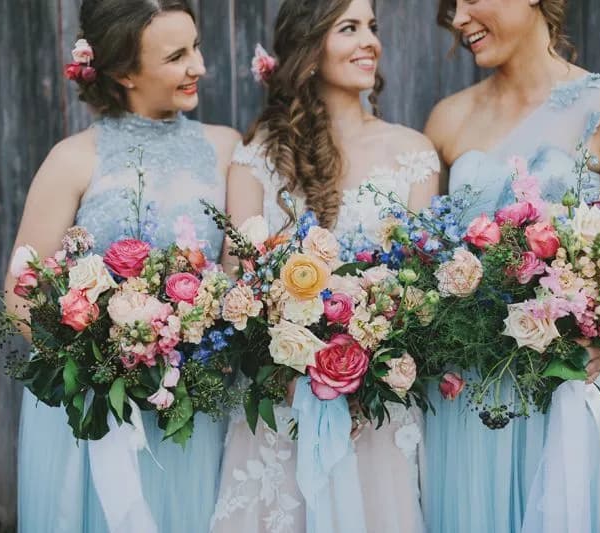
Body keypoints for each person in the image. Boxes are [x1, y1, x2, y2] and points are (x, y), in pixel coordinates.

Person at [422, 1, 600, 531]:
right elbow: (430, 261)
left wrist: (598, 325)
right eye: (451, 5)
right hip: (474, 391)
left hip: (569, 385)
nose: (458, 18)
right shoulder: (447, 118)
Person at [6, 1, 239, 531]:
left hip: (192, 402)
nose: (198, 67)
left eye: (197, 47)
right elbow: (21, 293)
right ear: (122, 72)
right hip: (101, 407)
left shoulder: (225, 149)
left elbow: (236, 279)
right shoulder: (73, 159)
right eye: (177, 56)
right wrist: (106, 363)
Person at [209, 1, 439, 531]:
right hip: (281, 404)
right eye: (349, 28)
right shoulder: (258, 158)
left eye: (373, 28)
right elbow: (236, 289)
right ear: (310, 49)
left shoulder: (414, 153)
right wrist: (291, 366)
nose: (370, 42)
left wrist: (370, 360)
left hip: (378, 406)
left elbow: (422, 290)